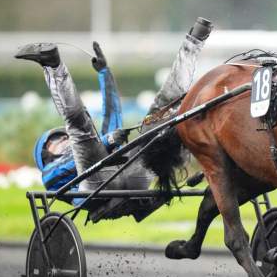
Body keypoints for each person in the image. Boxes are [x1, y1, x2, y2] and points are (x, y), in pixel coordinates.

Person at [16, 18, 213, 222]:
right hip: (94, 187)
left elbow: (113, 117)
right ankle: (53, 64)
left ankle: (194, 42)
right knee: (81, 126)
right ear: (46, 157)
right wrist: (107, 141)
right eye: (56, 143)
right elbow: (76, 157)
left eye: (63, 137)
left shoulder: (99, 146)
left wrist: (105, 73)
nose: (63, 141)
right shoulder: (49, 175)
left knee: (160, 114)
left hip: (132, 176)